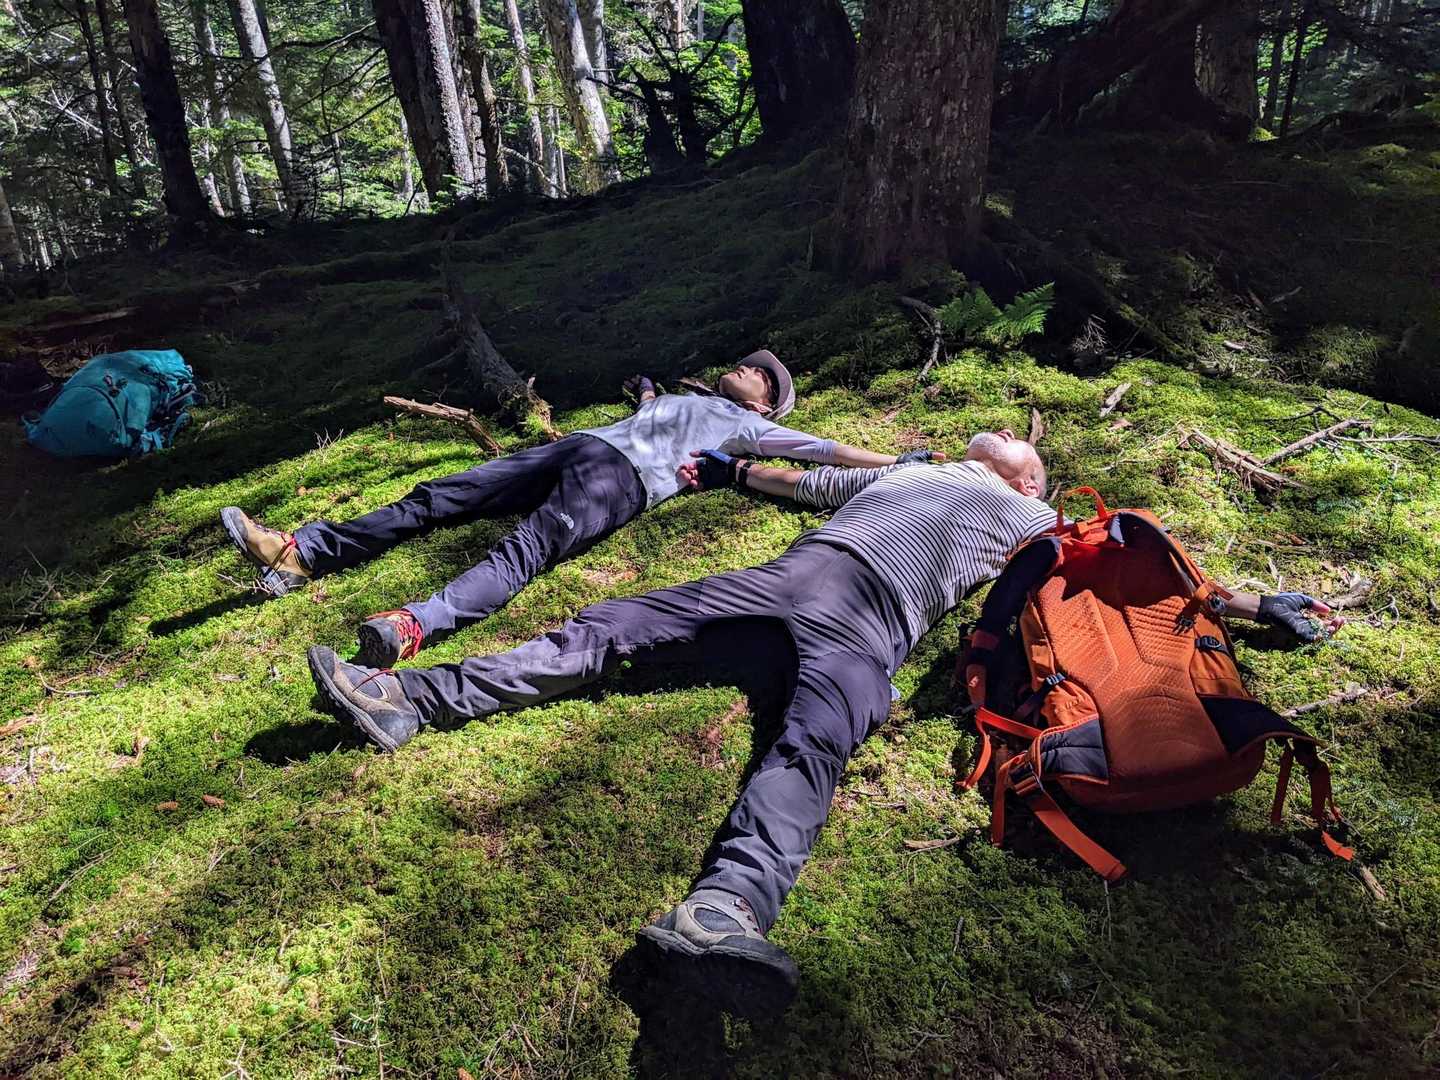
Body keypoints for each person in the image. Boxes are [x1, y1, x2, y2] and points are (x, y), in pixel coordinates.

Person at [302, 429, 1336, 1016]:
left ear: (1034, 481)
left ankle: (725, 915)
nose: (998, 454)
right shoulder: (904, 472)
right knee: (611, 628)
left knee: (813, 750)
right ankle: (409, 700)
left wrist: (1258, 607)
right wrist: (728, 470)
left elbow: (1145, 575)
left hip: (871, 628)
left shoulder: (1040, 522)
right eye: (991, 446)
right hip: (794, 574)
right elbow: (808, 484)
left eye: (1016, 455)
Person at [219, 350, 935, 667]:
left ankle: (414, 626)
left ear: (767, 402)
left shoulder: (751, 427)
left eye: (762, 374)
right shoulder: (689, 400)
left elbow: (824, 451)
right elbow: (653, 412)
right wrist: (646, 392)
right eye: (750, 363)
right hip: (582, 446)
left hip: (618, 482)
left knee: (522, 552)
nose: (749, 367)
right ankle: (303, 553)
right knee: (442, 495)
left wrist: (895, 464)